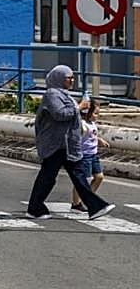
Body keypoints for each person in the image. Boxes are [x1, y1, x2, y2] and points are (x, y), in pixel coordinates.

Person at [26, 66, 113, 220]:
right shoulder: (52, 94)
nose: (72, 80)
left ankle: (95, 206)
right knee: (48, 177)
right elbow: (60, 114)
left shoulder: (65, 95)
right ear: (58, 78)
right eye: (68, 77)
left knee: (78, 175)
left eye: (72, 77)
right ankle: (34, 207)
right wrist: (79, 107)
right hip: (55, 144)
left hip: (68, 144)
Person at [71, 99, 108, 212]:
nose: (97, 116)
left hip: (93, 154)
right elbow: (80, 133)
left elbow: (92, 136)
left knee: (99, 177)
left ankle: (87, 198)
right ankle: (76, 203)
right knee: (82, 180)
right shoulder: (82, 123)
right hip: (85, 155)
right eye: (95, 113)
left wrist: (99, 140)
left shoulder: (92, 124)